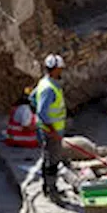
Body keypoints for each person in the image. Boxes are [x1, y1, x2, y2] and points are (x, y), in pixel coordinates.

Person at [32, 54, 67, 199]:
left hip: (50, 129)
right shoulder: (49, 88)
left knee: (48, 157)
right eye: (60, 69)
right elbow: (41, 111)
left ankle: (48, 187)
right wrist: (51, 129)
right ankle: (51, 191)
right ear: (53, 69)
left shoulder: (45, 82)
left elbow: (32, 98)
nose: (61, 71)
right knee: (52, 161)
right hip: (50, 131)